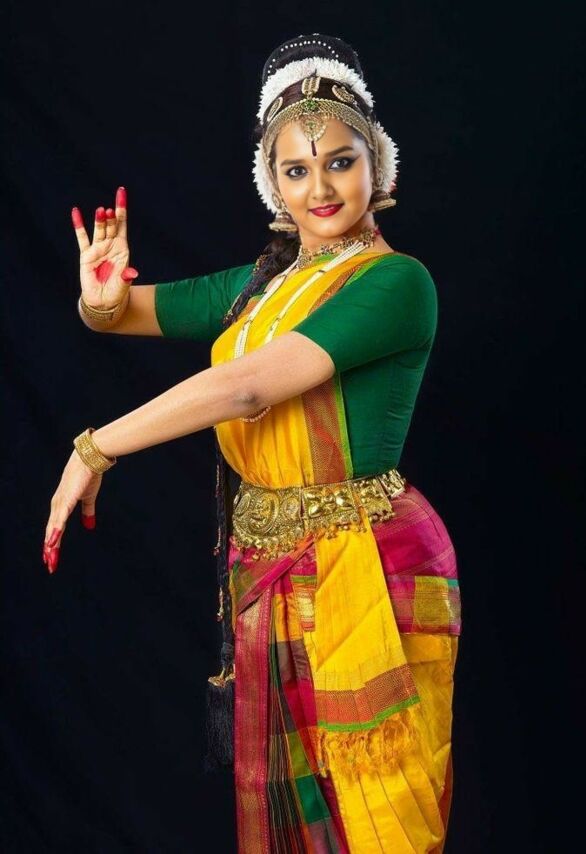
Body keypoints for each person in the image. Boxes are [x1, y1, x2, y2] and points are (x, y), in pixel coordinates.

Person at [43, 33, 462, 854]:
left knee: (377, 816)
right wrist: (101, 297)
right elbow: (129, 313)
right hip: (272, 568)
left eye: (340, 162)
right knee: (301, 823)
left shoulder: (395, 283)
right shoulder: (263, 286)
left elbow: (245, 389)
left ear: (378, 165)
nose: (321, 188)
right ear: (272, 183)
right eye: (296, 170)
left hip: (368, 570)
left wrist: (94, 448)